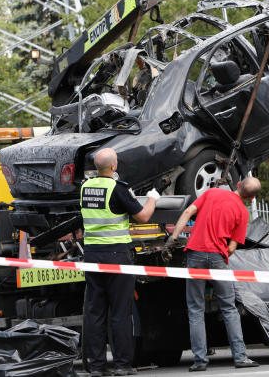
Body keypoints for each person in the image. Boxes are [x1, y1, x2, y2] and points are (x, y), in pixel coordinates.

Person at [166, 177, 262, 372]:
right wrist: (217, 257)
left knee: (195, 310)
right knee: (228, 308)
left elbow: (188, 211)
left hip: (195, 255)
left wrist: (172, 238)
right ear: (251, 198)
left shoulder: (211, 193)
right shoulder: (243, 213)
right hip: (218, 257)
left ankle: (200, 360)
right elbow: (232, 247)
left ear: (237, 185)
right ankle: (241, 357)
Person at [80, 148, 159, 377]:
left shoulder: (85, 188)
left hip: (92, 256)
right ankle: (122, 364)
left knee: (95, 313)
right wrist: (153, 198)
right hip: (116, 256)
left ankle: (97, 366)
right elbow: (143, 216)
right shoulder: (118, 188)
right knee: (120, 313)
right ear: (113, 167)